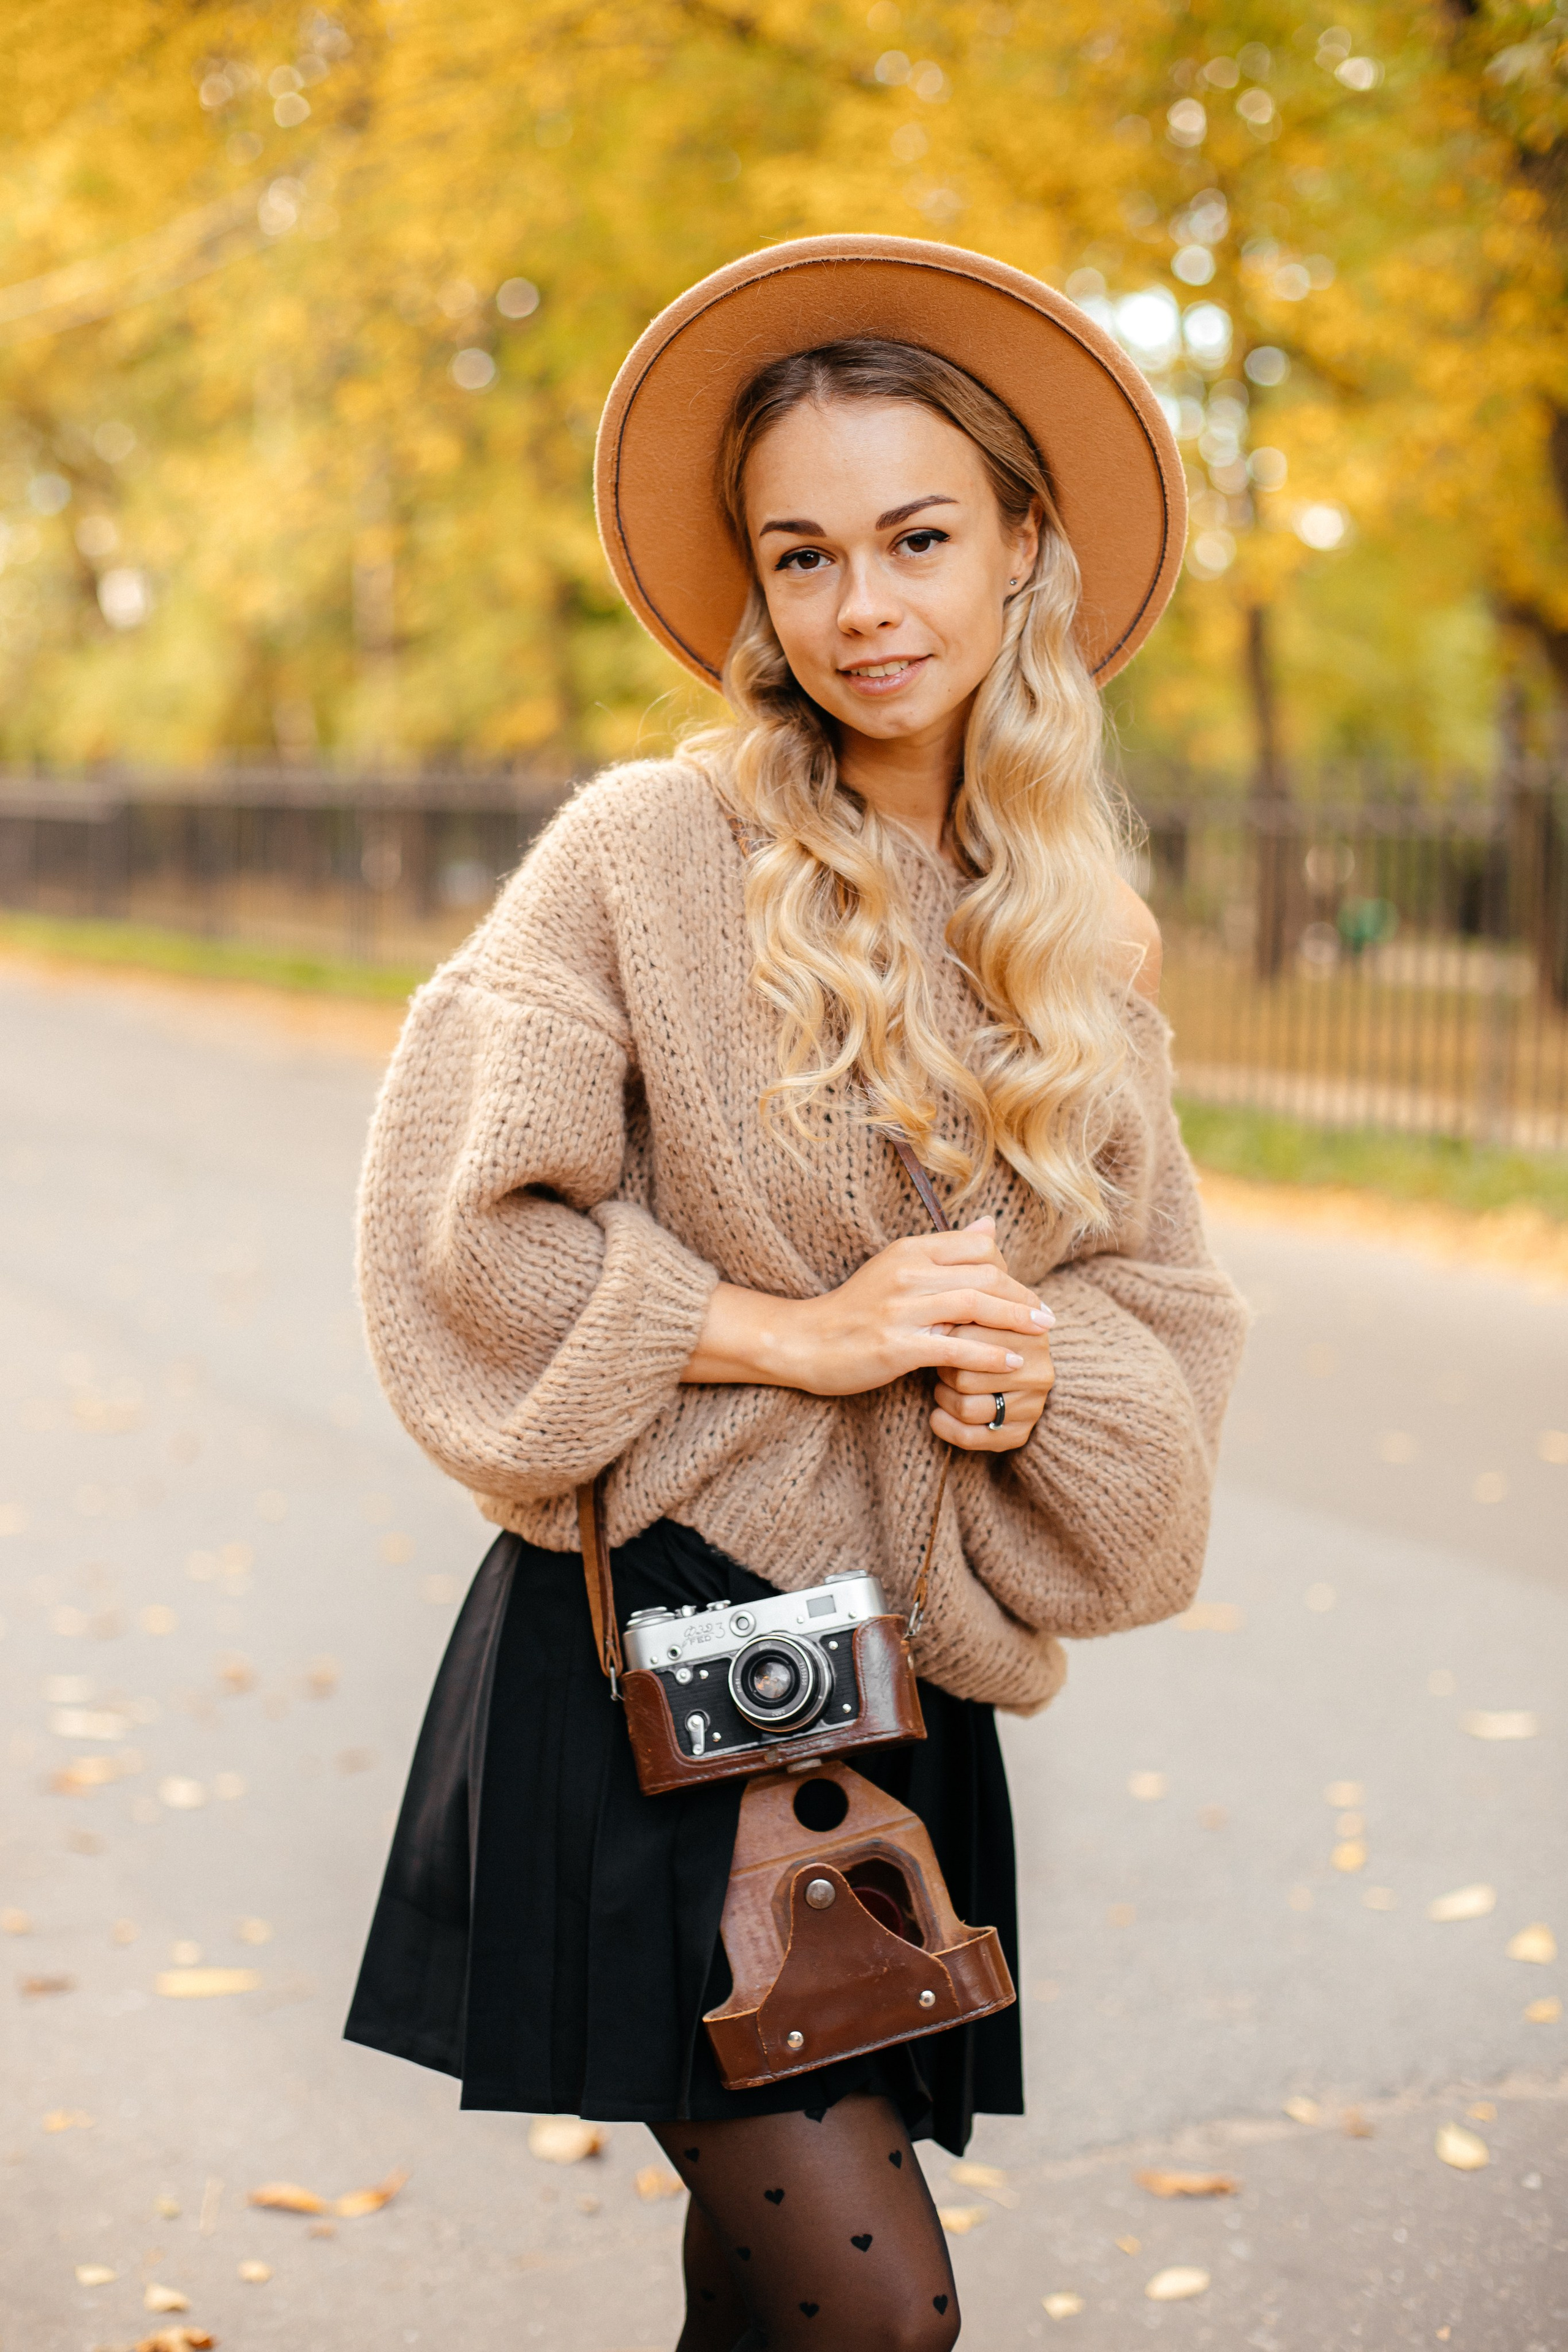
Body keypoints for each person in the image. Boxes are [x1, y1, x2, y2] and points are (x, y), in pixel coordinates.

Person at [346, 236, 1249, 2351]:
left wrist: (1025, 1387)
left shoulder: (1075, 947)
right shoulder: (643, 853)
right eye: (809, 553)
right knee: (878, 2315)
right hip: (654, 1661)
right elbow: (449, 1232)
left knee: (768, 2310)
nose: (867, 608)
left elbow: (1164, 1319)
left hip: (894, 1694)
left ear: (1027, 546)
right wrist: (790, 1334)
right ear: (758, 585)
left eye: (922, 537)